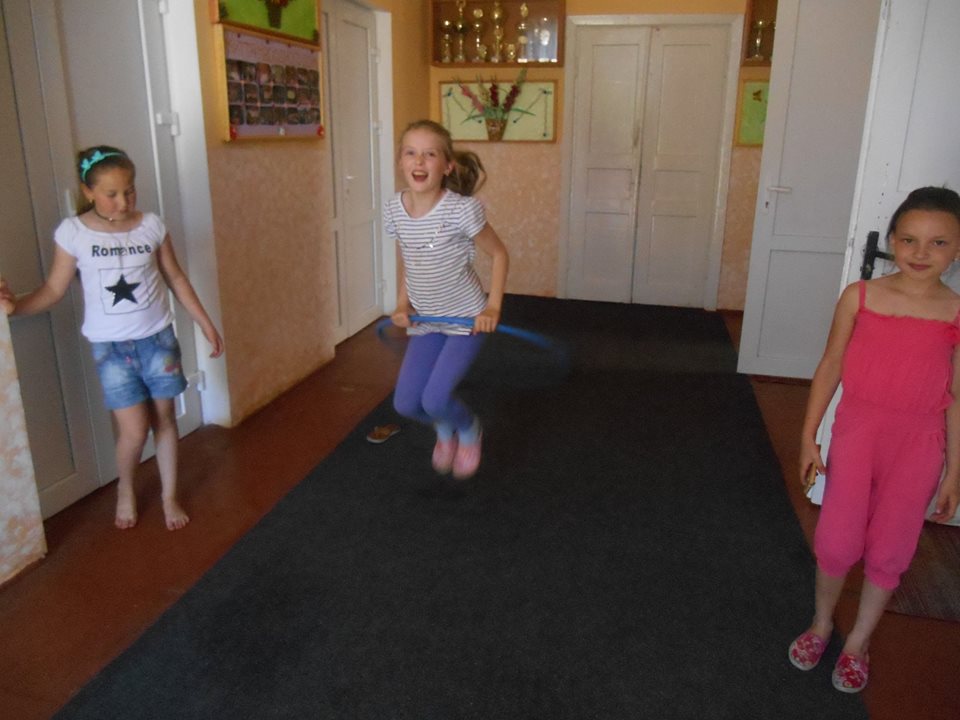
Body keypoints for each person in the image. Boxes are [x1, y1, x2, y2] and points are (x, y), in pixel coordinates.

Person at [789, 186, 960, 693]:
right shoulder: (860, 297)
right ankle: (822, 623)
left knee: (890, 548)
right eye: (908, 239)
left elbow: (956, 394)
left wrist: (954, 470)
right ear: (892, 240)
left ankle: (858, 643)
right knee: (837, 540)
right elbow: (830, 365)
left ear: (957, 249)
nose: (921, 253)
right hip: (858, 432)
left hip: (919, 443)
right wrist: (808, 436)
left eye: (938, 242)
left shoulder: (956, 312)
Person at [0, 146, 223, 530]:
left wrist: (204, 322)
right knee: (134, 431)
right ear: (88, 192)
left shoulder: (151, 225)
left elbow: (176, 277)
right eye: (112, 194)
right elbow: (53, 290)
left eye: (129, 191)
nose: (123, 201)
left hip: (158, 341)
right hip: (112, 351)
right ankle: (126, 487)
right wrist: (14, 307)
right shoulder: (73, 233)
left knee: (165, 419)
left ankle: (169, 496)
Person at [384, 120, 509, 480]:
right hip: (427, 320)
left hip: (466, 320)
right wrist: (403, 303)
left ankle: (469, 429)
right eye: (411, 152)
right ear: (401, 161)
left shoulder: (461, 210)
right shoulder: (395, 209)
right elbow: (411, 258)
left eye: (430, 154)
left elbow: (499, 254)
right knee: (406, 403)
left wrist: (492, 307)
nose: (419, 161)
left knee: (435, 398)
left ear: (447, 166)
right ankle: (444, 427)